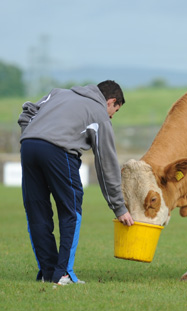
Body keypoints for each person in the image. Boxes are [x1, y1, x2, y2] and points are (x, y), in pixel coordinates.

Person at [18, 80, 134, 286]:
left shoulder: (57, 93)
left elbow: (27, 111)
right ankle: (63, 274)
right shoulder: (99, 114)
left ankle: (47, 272)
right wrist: (119, 207)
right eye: (113, 112)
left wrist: (31, 134)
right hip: (58, 152)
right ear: (111, 101)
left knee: (37, 211)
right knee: (70, 211)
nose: (110, 117)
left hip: (28, 146)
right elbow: (106, 163)